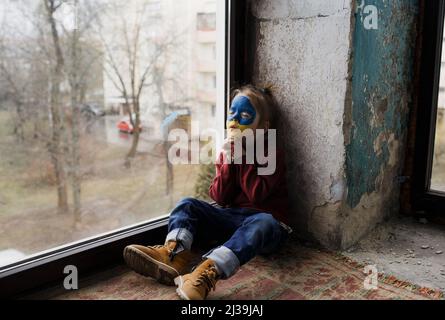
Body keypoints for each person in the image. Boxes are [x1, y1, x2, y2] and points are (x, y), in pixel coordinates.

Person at [123, 84, 291, 300]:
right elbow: (219, 197)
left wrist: (241, 157)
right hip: (235, 219)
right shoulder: (228, 151)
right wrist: (229, 160)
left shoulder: (272, 153)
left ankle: (208, 271)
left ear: (264, 127)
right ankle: (174, 254)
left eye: (246, 115)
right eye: (232, 114)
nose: (234, 121)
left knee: (264, 222)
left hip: (268, 227)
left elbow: (256, 196)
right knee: (188, 204)